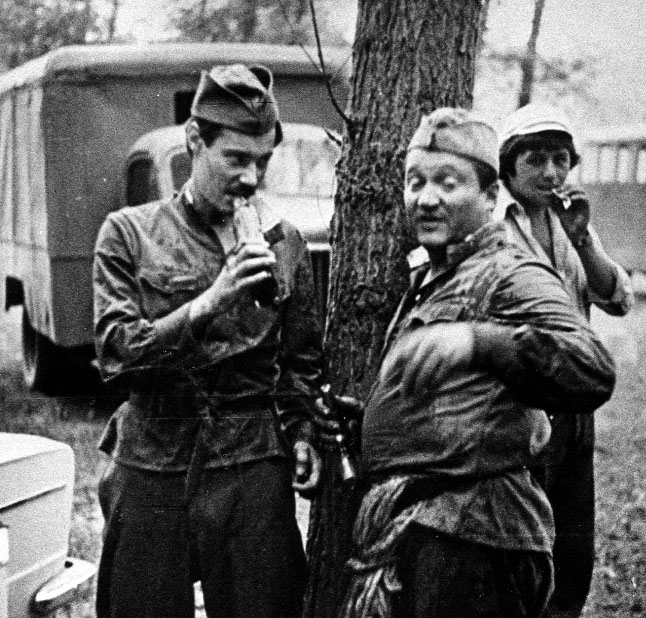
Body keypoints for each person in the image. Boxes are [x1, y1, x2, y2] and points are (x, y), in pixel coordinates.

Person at [336, 108, 617, 618]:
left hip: (474, 541)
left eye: (448, 183)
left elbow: (592, 367)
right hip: (429, 532)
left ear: (490, 197)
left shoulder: (510, 272)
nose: (426, 198)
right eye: (415, 182)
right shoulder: (438, 273)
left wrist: (479, 342)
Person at [93, 64, 324, 618]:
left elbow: (300, 362)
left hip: (251, 461)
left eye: (262, 162)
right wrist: (210, 301)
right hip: (156, 456)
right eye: (236, 158)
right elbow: (117, 356)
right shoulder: (129, 233)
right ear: (195, 140)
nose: (251, 178)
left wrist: (302, 434)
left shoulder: (285, 242)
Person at [496, 103, 633, 618]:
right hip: (521, 403)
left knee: (572, 544)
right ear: (509, 167)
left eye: (561, 159)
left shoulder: (569, 220)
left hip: (575, 405)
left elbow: (617, 297)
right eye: (535, 160)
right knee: (523, 539)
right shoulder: (496, 225)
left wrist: (581, 239)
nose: (551, 173)